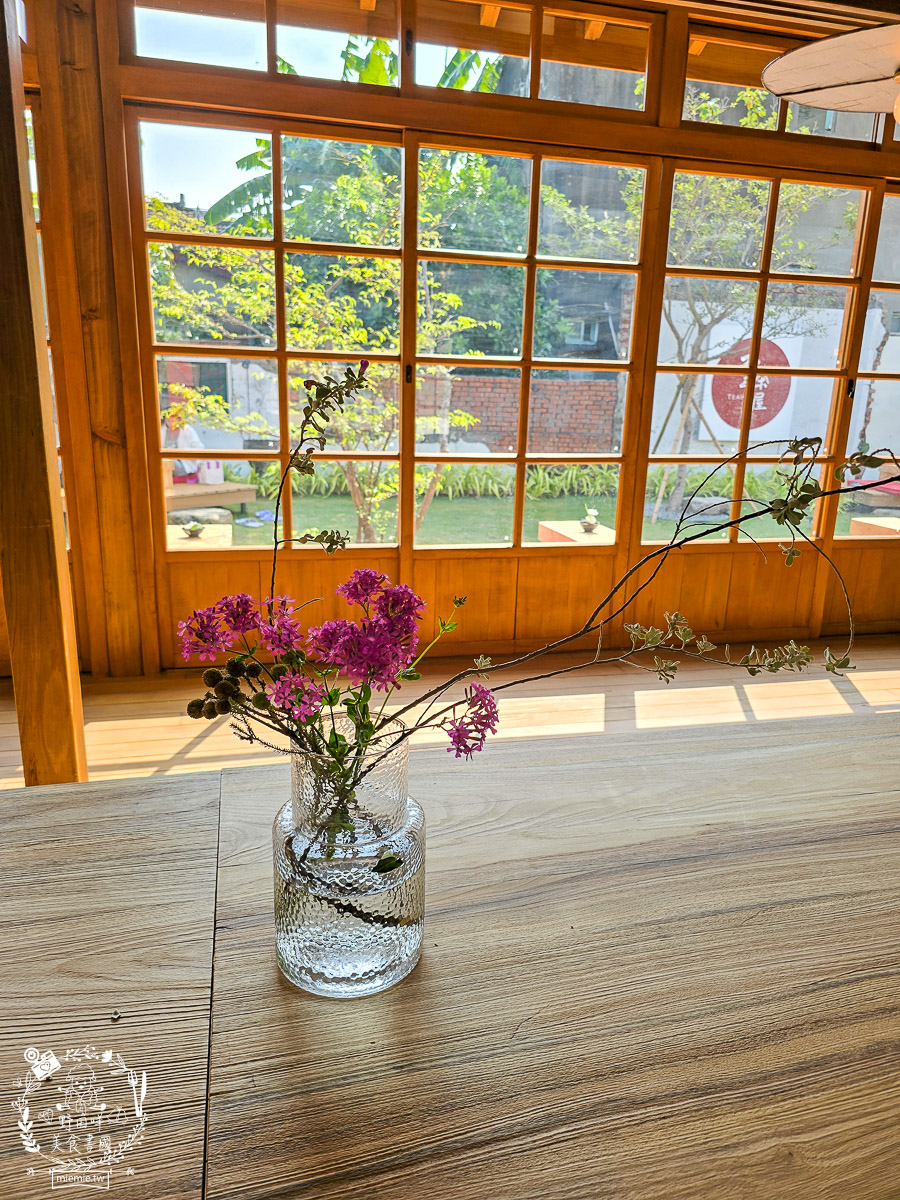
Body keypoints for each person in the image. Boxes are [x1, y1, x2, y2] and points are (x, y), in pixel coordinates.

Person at [161, 405, 204, 483]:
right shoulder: (163, 430)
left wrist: (177, 452)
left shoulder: (187, 430)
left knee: (170, 459)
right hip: (166, 465)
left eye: (173, 421)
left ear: (179, 420)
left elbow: (199, 448)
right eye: (168, 421)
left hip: (184, 465)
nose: (171, 424)